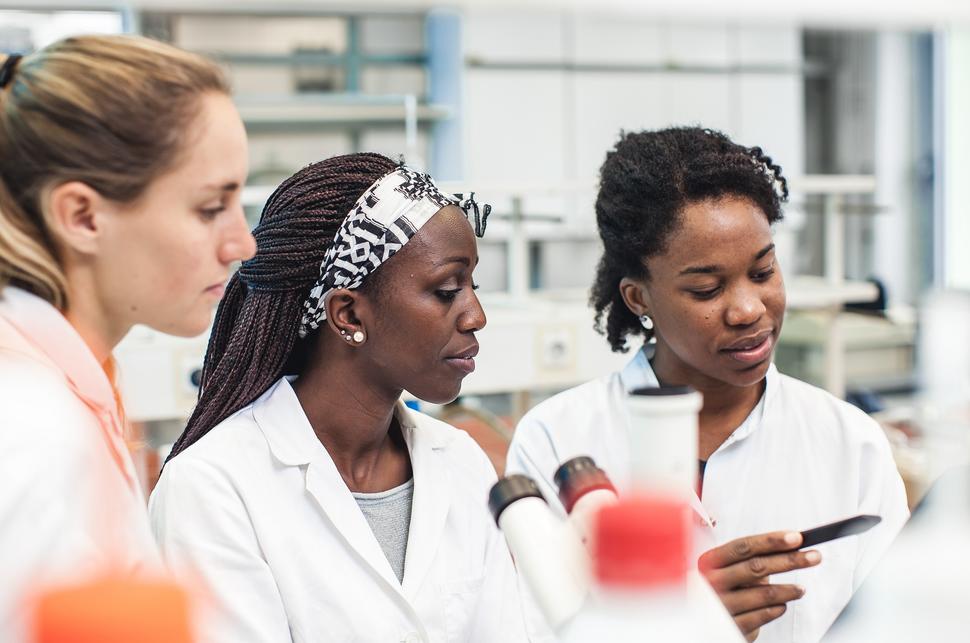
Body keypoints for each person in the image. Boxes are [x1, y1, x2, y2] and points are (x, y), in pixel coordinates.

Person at [506, 127, 909, 643]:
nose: (748, 310)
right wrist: (676, 624)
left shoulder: (850, 443)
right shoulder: (557, 438)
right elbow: (528, 627)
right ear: (638, 298)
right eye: (706, 289)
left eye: (763, 272)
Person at [149, 153, 530, 642]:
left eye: (472, 286)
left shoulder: (461, 463)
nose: (475, 316)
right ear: (348, 314)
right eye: (447, 289)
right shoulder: (212, 488)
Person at [0, 35, 255, 640]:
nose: (242, 244)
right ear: (84, 217)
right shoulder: (29, 425)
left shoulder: (70, 387)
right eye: (209, 208)